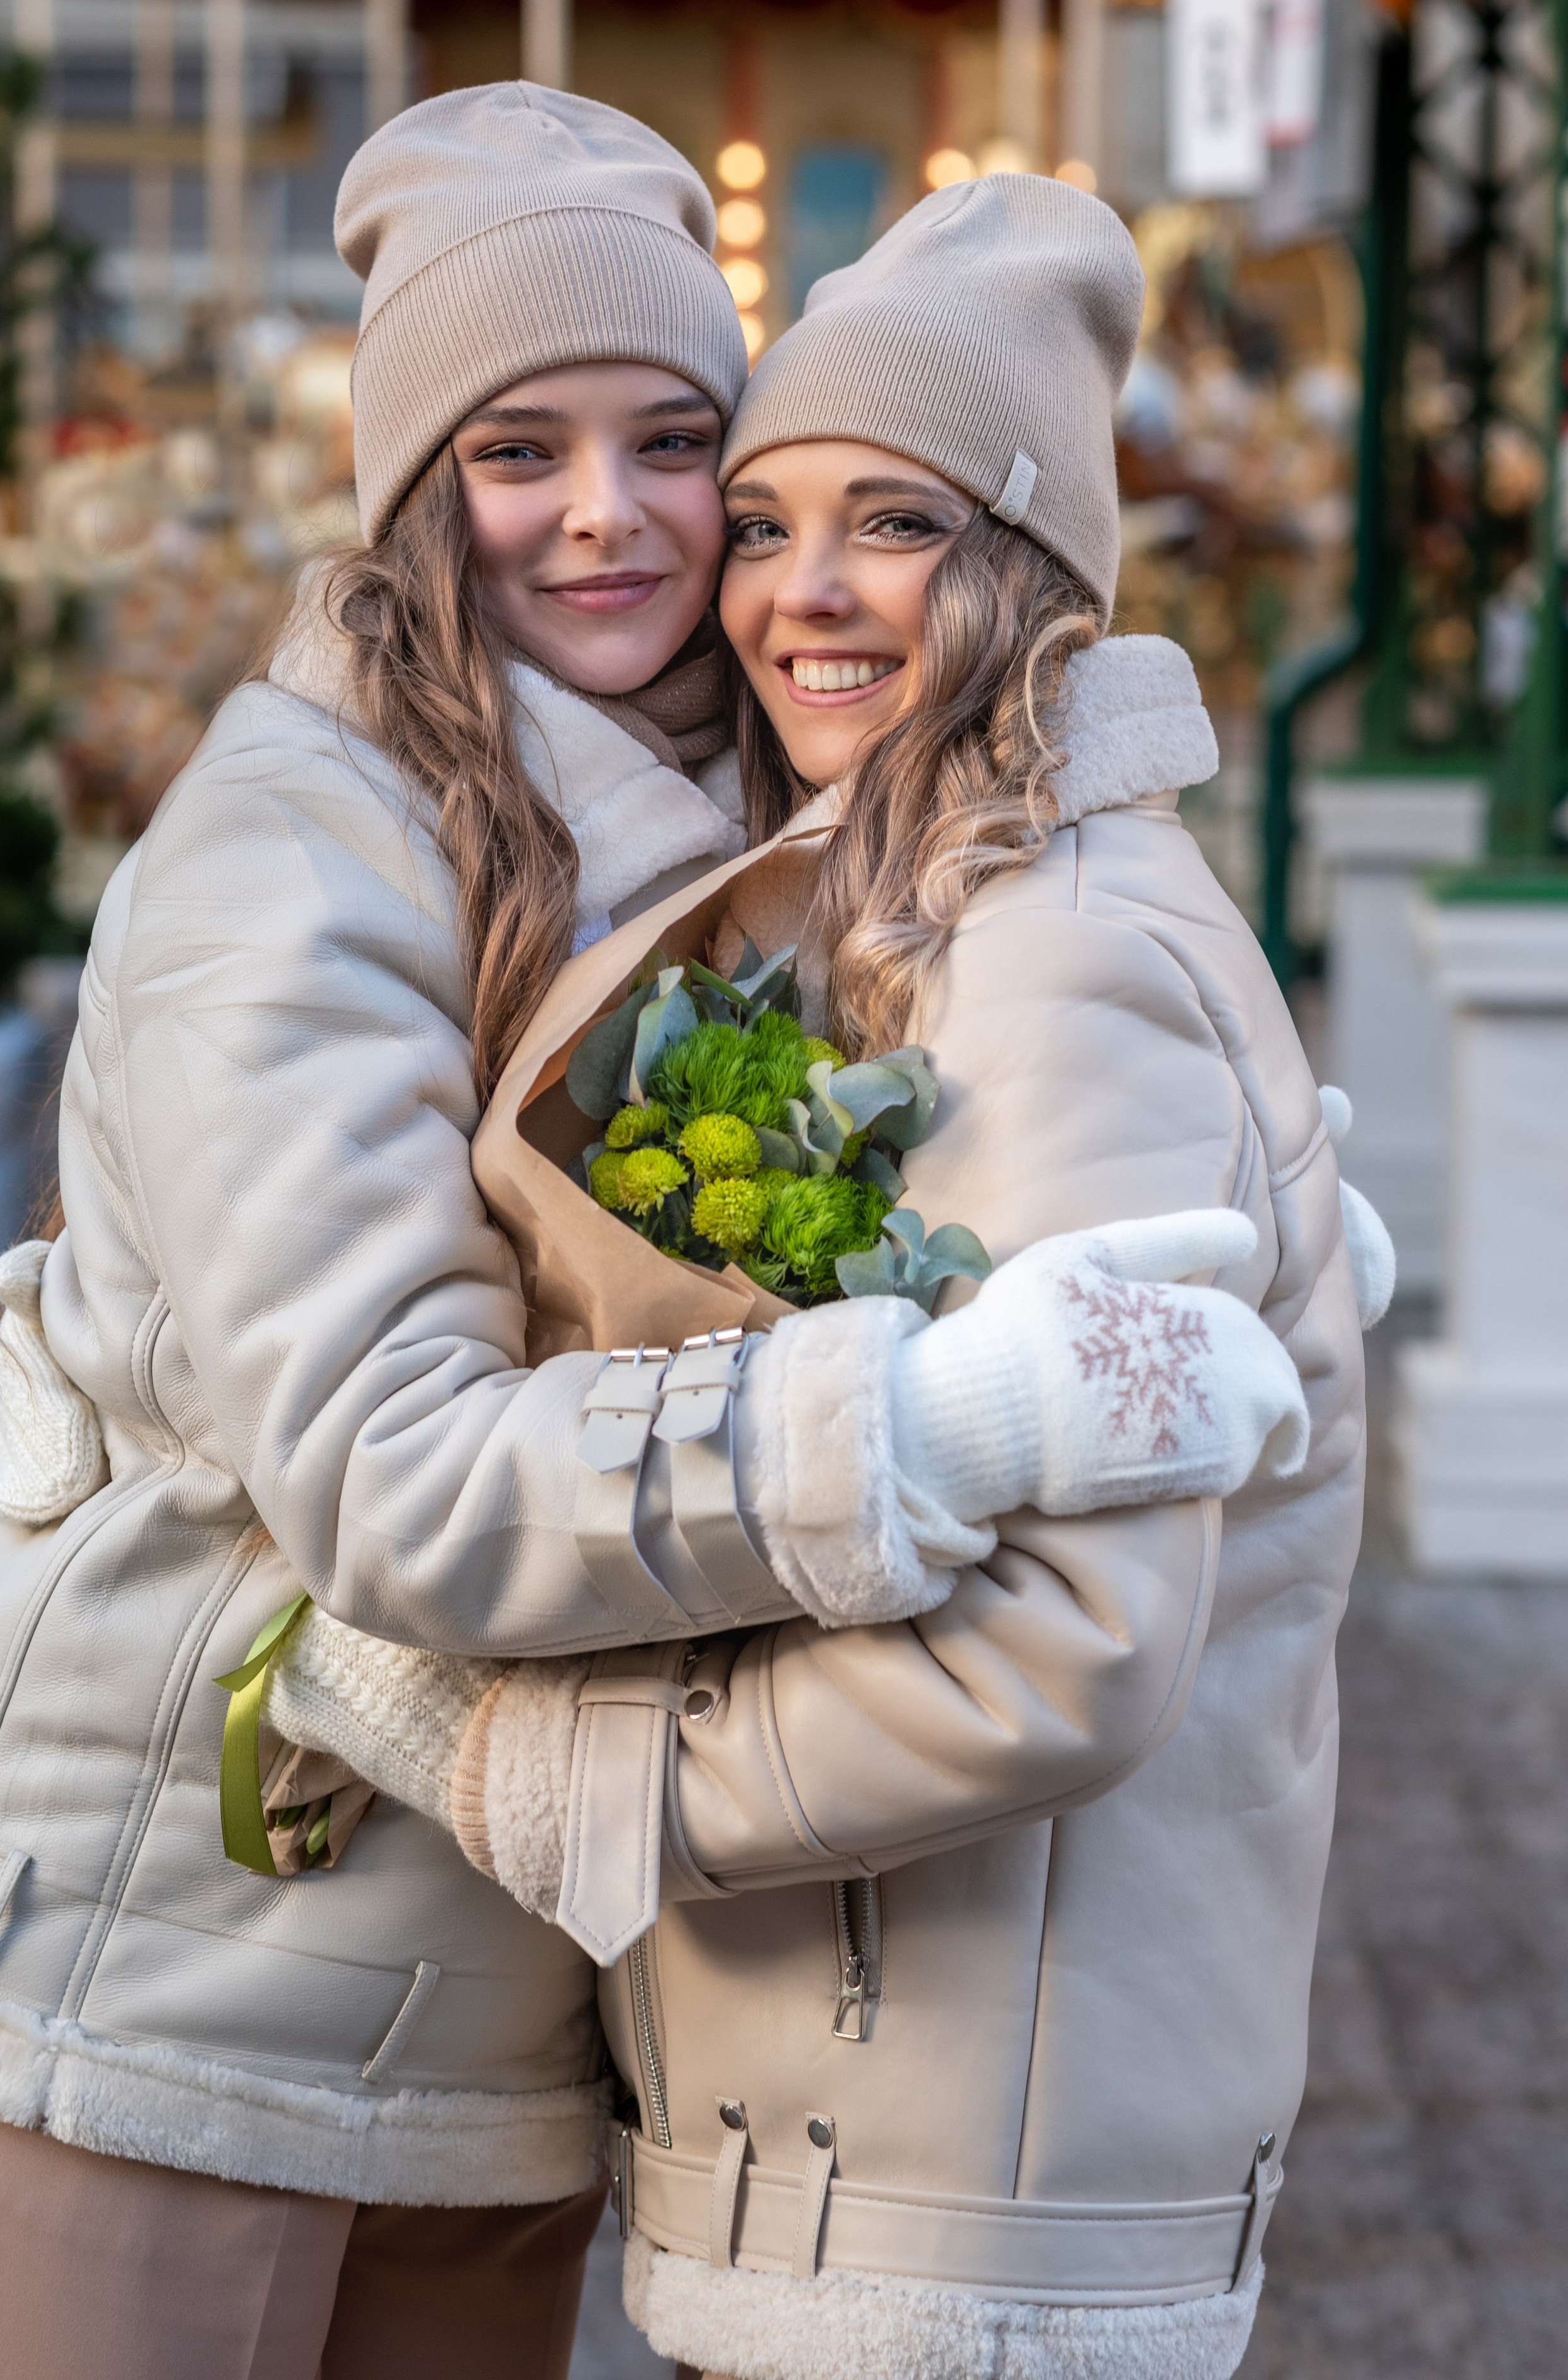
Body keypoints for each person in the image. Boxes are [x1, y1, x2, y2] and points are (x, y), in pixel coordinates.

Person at [0, 88, 1308, 2380]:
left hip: (491, 2028)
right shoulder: (304, 853)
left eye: (674, 441)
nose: (613, 520)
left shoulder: (721, 822)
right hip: (181, 1969)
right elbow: (393, 1469)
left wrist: (1229, 1205)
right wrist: (931, 1401)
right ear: (408, 493)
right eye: (515, 451)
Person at [267, 177, 1379, 2380]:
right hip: (893, 2144)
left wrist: (540, 1772)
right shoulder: (932, 910)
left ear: (1030, 575)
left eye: (891, 520)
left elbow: (1072, 1649)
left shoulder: (1058, 950)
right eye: (762, 523)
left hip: (964, 2192)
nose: (796, 594)